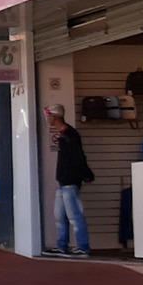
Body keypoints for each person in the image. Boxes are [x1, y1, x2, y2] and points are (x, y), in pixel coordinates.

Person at [45, 104, 93, 257]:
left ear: (54, 116)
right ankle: (62, 245)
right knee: (60, 216)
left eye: (49, 115)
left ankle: (83, 247)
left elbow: (78, 156)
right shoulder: (65, 134)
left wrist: (84, 173)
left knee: (74, 215)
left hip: (70, 181)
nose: (47, 118)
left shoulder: (69, 135)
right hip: (64, 181)